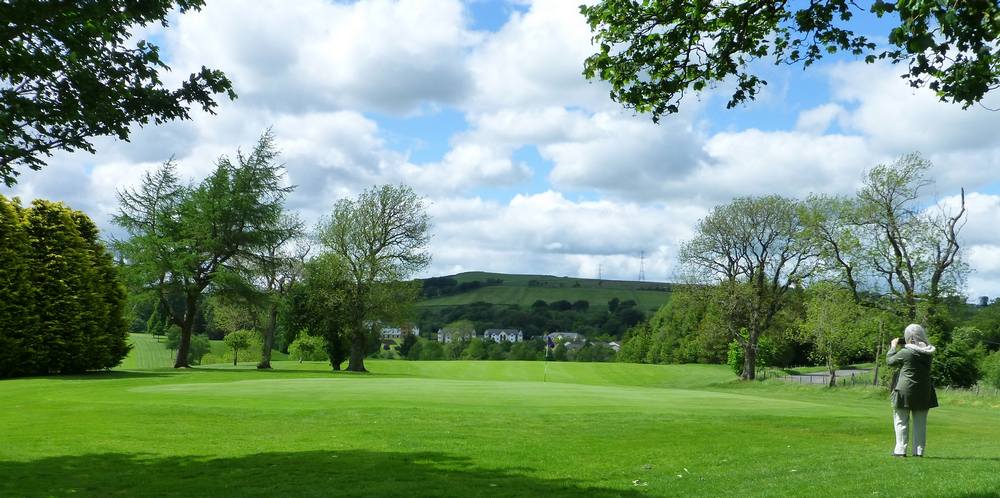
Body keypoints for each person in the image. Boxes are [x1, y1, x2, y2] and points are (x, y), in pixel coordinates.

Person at [886, 323, 938, 457]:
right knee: (920, 424)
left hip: (905, 390)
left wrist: (893, 347)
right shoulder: (929, 353)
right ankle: (919, 451)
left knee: (901, 421)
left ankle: (900, 450)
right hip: (924, 391)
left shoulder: (906, 352)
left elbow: (890, 361)